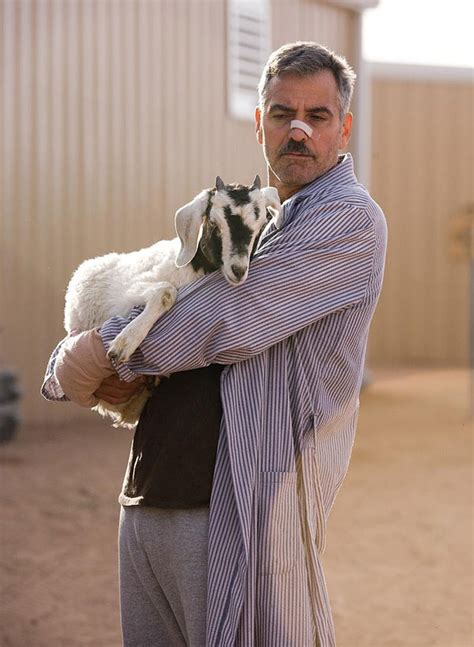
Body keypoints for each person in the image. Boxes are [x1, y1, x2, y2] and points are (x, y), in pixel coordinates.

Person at [42, 41, 387, 647]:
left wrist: (87, 356)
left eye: (318, 115)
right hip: (153, 495)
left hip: (238, 516)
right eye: (282, 114)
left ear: (344, 128)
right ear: (260, 124)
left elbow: (222, 319)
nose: (298, 130)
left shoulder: (348, 218)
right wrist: (117, 367)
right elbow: (164, 294)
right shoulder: (258, 222)